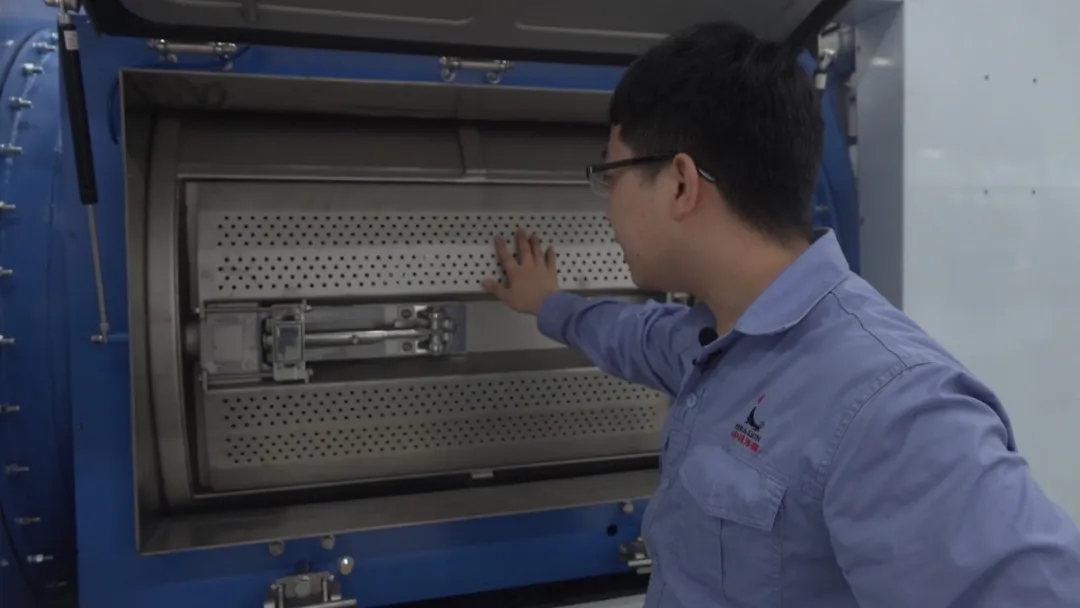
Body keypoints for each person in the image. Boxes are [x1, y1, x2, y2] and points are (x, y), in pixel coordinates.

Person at [480, 21, 1080, 608]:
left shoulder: (888, 406)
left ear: (681, 184)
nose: (608, 207)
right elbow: (636, 337)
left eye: (611, 176)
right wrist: (548, 304)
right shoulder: (716, 338)